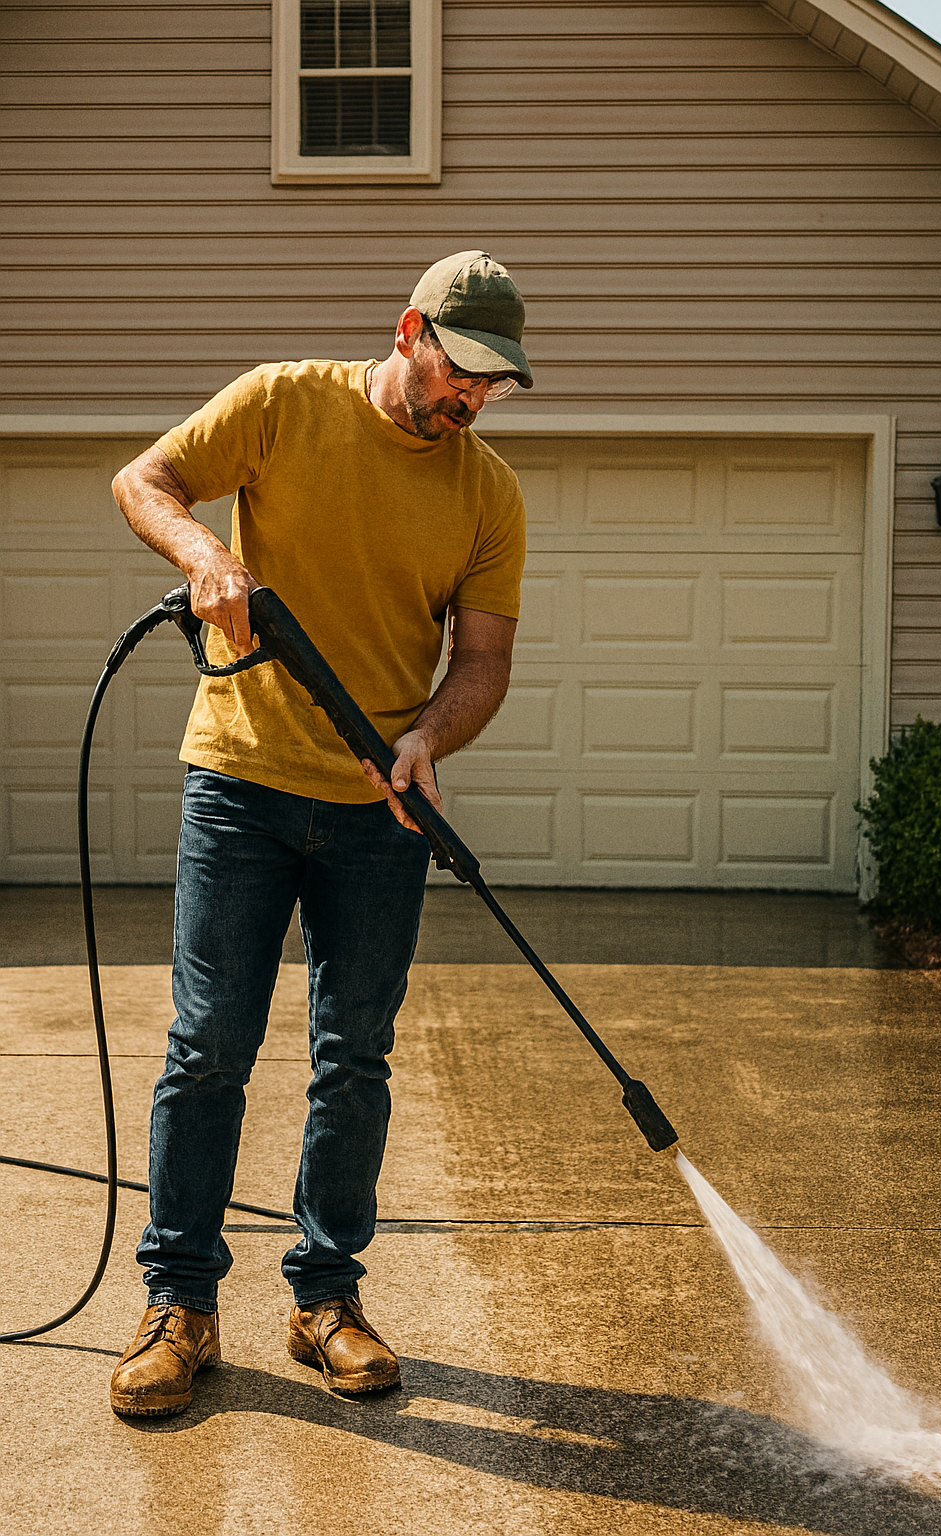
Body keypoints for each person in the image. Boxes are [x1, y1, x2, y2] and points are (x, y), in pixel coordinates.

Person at [106, 251, 532, 1417]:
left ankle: (324, 1299)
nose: (473, 401)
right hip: (239, 785)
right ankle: (178, 1306)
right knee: (209, 1048)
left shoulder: (487, 492)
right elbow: (143, 480)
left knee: (354, 1057)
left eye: (494, 387)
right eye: (464, 375)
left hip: (379, 811)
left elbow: (483, 663)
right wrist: (205, 555)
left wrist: (427, 742)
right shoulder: (282, 402)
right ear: (411, 334)